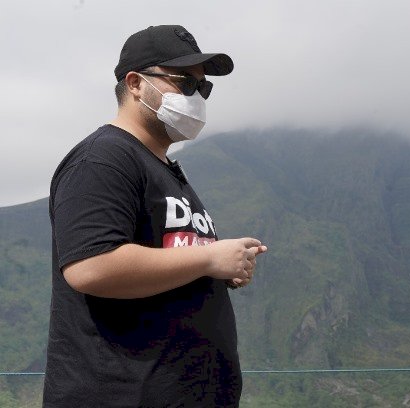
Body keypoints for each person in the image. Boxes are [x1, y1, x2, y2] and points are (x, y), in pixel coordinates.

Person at [43, 25, 267, 407]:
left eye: (204, 88)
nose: (196, 97)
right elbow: (91, 266)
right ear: (134, 83)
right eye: (185, 83)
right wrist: (210, 258)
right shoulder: (104, 159)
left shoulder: (164, 168)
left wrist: (218, 271)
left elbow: (169, 256)